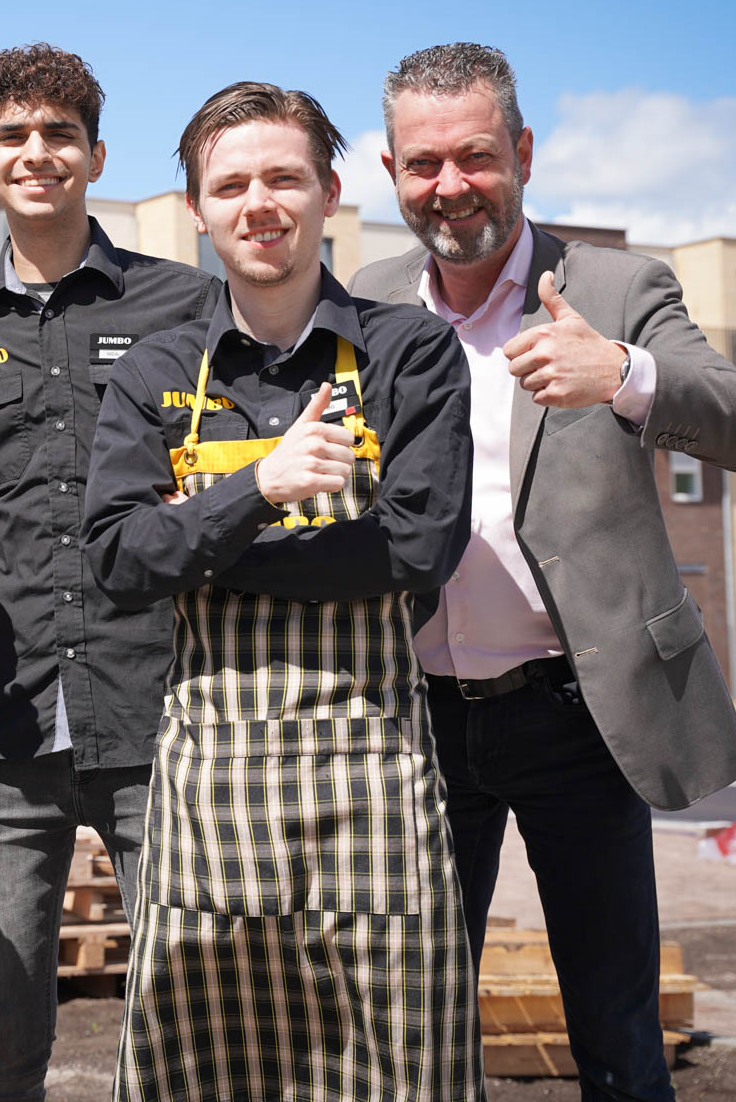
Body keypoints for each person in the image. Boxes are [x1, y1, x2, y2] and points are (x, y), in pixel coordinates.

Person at [352, 43, 736, 1101]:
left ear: (523, 152)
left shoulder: (616, 287)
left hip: (579, 714)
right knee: (415, 1024)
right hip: (417, 721)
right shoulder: (367, 300)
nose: (450, 185)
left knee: (615, 1028)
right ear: (392, 170)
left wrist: (627, 374)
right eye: (424, 163)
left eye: (475, 155)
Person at [85, 81, 479, 1100]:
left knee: (400, 1072)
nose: (258, 203)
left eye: (283, 178)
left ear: (328, 193)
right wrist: (259, 489)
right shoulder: (157, 372)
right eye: (231, 186)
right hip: (210, 794)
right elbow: (117, 562)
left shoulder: (409, 351)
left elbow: (418, 547)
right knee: (198, 1072)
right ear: (197, 210)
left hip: (373, 782)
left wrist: (204, 537)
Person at [0, 44, 219, 1102]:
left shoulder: (187, 305)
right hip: (4, 734)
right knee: (2, 1040)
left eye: (59, 133)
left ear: (96, 156)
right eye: (14, 135)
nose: (36, 152)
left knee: (188, 1021)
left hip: (158, 716)